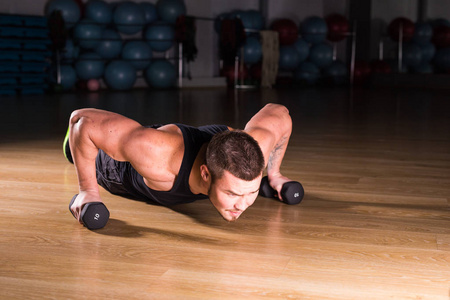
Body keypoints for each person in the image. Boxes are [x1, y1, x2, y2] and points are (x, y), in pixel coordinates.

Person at [65, 103, 294, 222]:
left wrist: (274, 174)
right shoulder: (156, 155)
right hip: (114, 167)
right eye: (233, 194)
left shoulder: (255, 150)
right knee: (73, 148)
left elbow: (280, 113)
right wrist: (88, 191)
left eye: (251, 192)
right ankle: (68, 147)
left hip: (164, 139)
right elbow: (82, 121)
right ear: (205, 173)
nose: (243, 205)